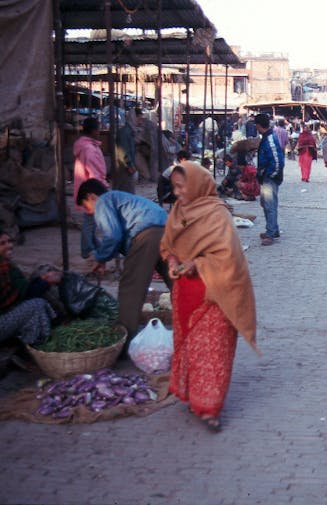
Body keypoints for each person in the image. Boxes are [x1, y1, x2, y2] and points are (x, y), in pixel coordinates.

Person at [160, 162, 259, 432]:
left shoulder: (217, 215)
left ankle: (210, 408)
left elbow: (229, 258)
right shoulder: (179, 211)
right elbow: (168, 244)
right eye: (175, 187)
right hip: (185, 294)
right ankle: (193, 395)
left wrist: (196, 264)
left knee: (213, 351)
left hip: (216, 294)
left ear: (196, 185)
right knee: (190, 348)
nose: (178, 193)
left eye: (182, 187)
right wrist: (171, 260)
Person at [76, 178, 171, 340]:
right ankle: (194, 321)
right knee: (175, 279)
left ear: (92, 196)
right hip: (166, 230)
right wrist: (104, 258)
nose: (90, 213)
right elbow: (117, 238)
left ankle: (123, 337)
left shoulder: (103, 201)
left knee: (131, 286)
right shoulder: (119, 198)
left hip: (147, 234)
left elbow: (113, 236)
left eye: (86, 207)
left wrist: (100, 257)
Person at [0, 229, 59, 345]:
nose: (9, 245)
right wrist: (47, 281)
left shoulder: (7, 266)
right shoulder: (4, 270)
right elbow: (29, 293)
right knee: (37, 304)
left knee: (40, 274)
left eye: (9, 241)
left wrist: (42, 279)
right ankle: (37, 343)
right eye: (2, 243)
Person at [73, 117, 108, 259]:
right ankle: (88, 249)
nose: (100, 132)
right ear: (94, 131)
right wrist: (101, 190)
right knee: (90, 222)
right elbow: (94, 174)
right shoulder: (89, 149)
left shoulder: (86, 146)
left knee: (91, 222)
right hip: (91, 191)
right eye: (99, 129)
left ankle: (93, 246)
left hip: (86, 188)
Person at [254, 113, 284, 246]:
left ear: (259, 126)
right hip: (267, 176)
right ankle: (274, 229)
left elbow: (278, 161)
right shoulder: (267, 138)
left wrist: (270, 175)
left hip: (269, 177)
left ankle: (270, 233)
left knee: (269, 205)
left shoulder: (270, 139)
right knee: (267, 204)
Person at [112, 109, 142, 193]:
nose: (140, 122)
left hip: (125, 167)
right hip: (123, 168)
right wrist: (130, 166)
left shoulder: (131, 132)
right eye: (139, 119)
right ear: (133, 118)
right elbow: (124, 151)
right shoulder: (124, 132)